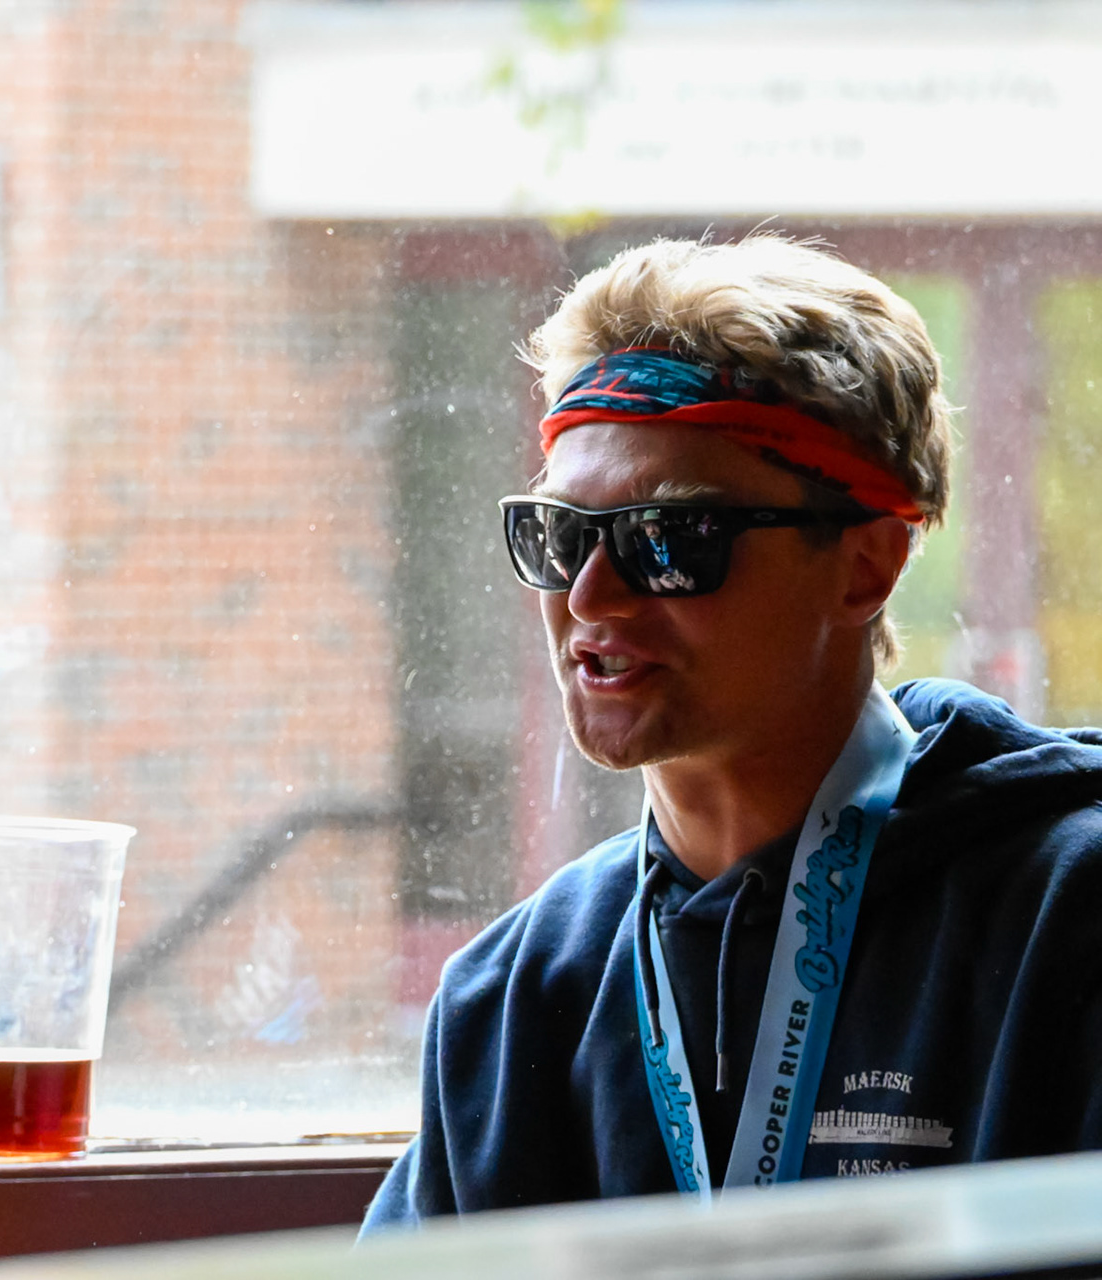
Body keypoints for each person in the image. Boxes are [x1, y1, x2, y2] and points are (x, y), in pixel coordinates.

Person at [368, 236, 1102, 1226]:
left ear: (866, 566)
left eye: (671, 539)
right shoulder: (511, 1000)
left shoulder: (1068, 918)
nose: (590, 595)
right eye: (561, 535)